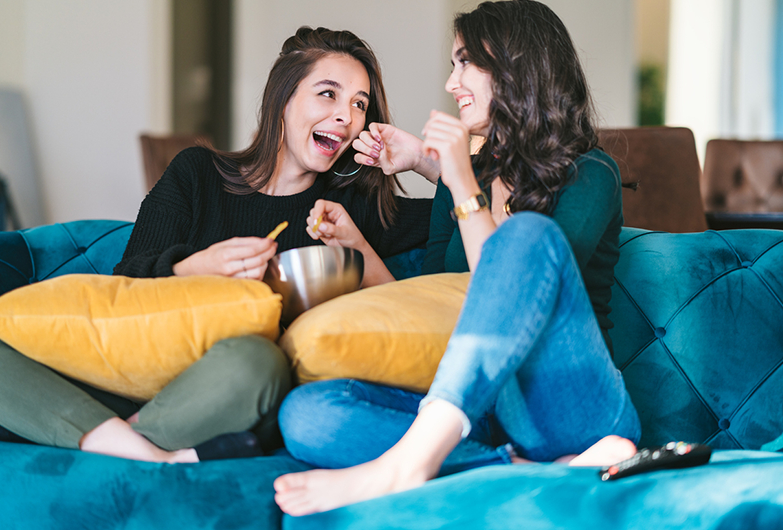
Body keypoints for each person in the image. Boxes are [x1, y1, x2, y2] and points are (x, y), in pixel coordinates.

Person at [0, 26, 431, 463]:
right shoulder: (197, 172)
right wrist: (195, 268)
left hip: (220, 390)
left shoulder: (352, 207)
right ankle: (150, 453)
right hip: (130, 367)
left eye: (359, 104)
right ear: (283, 98)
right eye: (328, 93)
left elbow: (479, 215)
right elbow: (126, 282)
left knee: (260, 363)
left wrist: (424, 163)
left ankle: (92, 434)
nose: (346, 117)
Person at [273, 0, 641, 516]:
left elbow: (515, 291)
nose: (452, 83)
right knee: (307, 414)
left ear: (515, 66)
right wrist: (359, 244)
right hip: (480, 415)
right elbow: (435, 302)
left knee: (528, 235)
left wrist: (455, 175)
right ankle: (518, 470)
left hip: (566, 405)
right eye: (453, 65)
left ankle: (411, 464)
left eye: (466, 62)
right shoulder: (462, 174)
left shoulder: (590, 174)